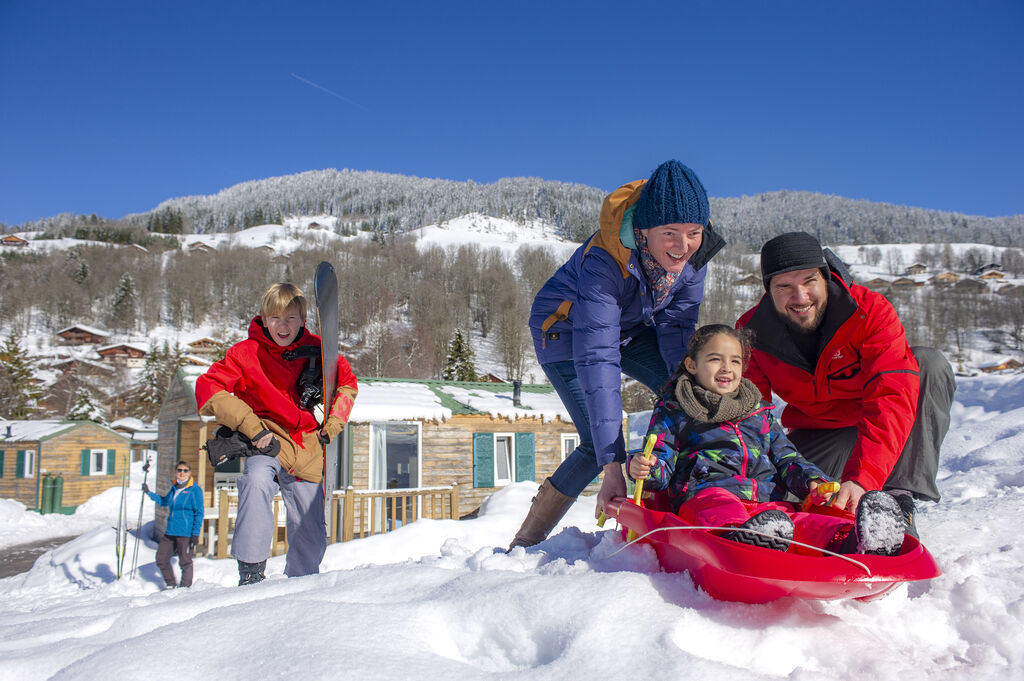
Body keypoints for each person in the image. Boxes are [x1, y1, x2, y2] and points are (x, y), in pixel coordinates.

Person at [508, 160, 726, 550]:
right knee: (598, 445)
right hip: (565, 330)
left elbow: (677, 330)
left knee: (686, 396)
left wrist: (688, 392)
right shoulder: (605, 261)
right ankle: (527, 542)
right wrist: (614, 467)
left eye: (693, 233)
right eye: (670, 233)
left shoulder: (693, 259)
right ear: (643, 230)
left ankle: (685, 503)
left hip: (629, 327)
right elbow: (597, 359)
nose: (683, 246)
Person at [736, 232, 956, 536]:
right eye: (784, 286)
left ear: (825, 278)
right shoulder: (751, 332)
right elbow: (750, 418)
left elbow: (892, 397)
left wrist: (864, 479)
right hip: (820, 433)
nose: (800, 298)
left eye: (809, 281)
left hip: (876, 422)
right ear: (768, 290)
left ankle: (895, 500)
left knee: (928, 364)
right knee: (775, 497)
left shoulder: (869, 311)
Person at [628, 324, 906, 555]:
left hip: (765, 504)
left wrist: (813, 482)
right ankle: (741, 541)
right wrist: (645, 466)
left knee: (799, 522)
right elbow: (660, 461)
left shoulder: (758, 412)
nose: (727, 368)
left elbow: (787, 459)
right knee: (720, 508)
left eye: (735, 361)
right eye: (715, 359)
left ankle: (852, 541)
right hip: (707, 496)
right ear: (692, 364)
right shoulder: (676, 410)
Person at [195, 282, 358, 585]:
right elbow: (208, 390)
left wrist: (332, 424)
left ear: (303, 319)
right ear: (263, 318)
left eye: (291, 318)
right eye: (275, 318)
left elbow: (347, 385)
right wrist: (251, 426)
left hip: (307, 443)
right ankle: (252, 573)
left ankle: (302, 583)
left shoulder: (319, 349)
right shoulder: (246, 353)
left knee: (310, 525)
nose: (282, 326)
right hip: (266, 439)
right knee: (255, 481)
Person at [144, 460, 204, 588]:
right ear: (175, 472)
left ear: (190, 473)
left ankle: (185, 588)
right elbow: (164, 501)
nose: (182, 473)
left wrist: (195, 533)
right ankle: (171, 584)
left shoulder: (195, 490)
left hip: (186, 532)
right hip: (170, 531)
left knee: (185, 562)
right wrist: (148, 493)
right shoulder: (174, 488)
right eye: (179, 470)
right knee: (161, 559)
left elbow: (199, 512)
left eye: (185, 470)